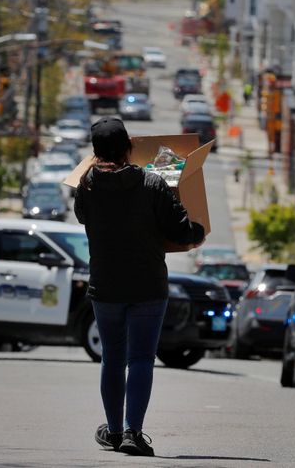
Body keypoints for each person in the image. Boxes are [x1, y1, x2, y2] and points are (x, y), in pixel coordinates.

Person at [74, 117, 205, 457]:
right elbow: (180, 230)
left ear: (95, 152)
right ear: (129, 147)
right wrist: (198, 230)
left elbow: (82, 216)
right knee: (142, 358)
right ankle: (134, 432)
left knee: (112, 360)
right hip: (148, 286)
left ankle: (114, 431)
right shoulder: (152, 184)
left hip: (105, 288)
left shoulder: (86, 187)